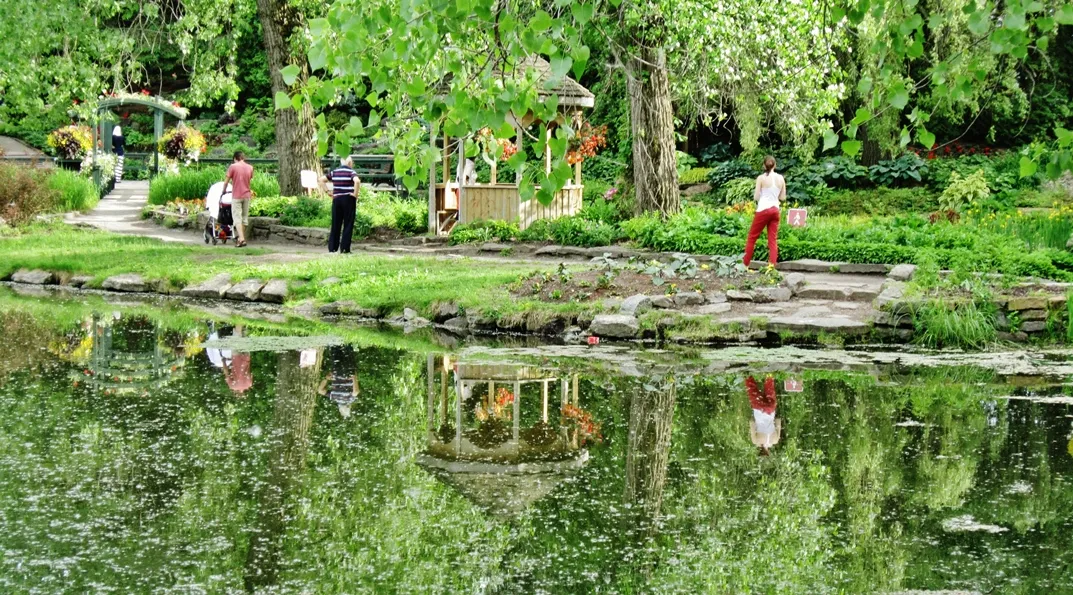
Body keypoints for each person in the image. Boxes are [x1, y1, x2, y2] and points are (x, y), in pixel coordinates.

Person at [743, 156, 786, 267]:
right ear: (775, 165)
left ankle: (744, 265)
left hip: (763, 209)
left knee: (752, 237)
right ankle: (771, 267)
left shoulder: (761, 178)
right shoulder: (781, 178)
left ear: (764, 165)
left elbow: (756, 197)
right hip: (775, 210)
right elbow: (783, 197)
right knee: (772, 240)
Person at [321, 156, 361, 254]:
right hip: (348, 199)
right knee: (348, 224)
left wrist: (327, 192)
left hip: (337, 199)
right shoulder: (351, 172)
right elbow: (357, 181)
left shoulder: (334, 172)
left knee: (335, 223)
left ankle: (332, 248)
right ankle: (345, 249)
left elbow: (321, 180)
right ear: (350, 163)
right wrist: (355, 194)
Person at [223, 151, 255, 247]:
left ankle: (241, 239)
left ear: (235, 158)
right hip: (247, 195)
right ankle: (241, 238)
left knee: (237, 218)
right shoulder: (250, 167)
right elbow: (249, 180)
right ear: (243, 158)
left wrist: (223, 191)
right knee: (244, 218)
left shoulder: (233, 166)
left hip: (236, 196)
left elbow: (226, 182)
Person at [318, 344, 358, 418]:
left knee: (347, 350)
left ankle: (347, 340)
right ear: (340, 408)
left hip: (348, 372)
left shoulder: (350, 399)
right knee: (335, 349)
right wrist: (326, 379)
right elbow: (320, 390)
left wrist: (354, 377)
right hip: (336, 371)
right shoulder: (334, 397)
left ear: (348, 407)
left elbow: (355, 392)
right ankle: (334, 341)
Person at [746, 376, 781, 456]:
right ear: (758, 451)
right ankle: (747, 373)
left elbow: (778, 421)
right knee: (751, 386)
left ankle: (769, 373)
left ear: (768, 452)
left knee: (770, 386)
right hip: (759, 409)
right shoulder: (756, 441)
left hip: (770, 410)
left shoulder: (775, 440)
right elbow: (752, 423)